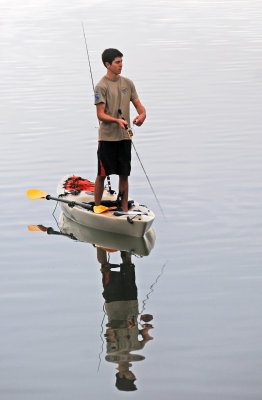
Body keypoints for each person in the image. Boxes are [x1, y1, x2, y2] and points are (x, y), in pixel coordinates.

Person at [94, 48, 146, 211]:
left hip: (124, 137)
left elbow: (139, 106)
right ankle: (97, 207)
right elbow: (100, 115)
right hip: (107, 138)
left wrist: (142, 115)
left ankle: (123, 210)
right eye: (117, 62)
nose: (121, 65)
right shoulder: (101, 87)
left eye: (122, 61)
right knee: (102, 174)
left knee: (124, 174)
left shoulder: (128, 83)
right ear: (107, 64)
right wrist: (116, 120)